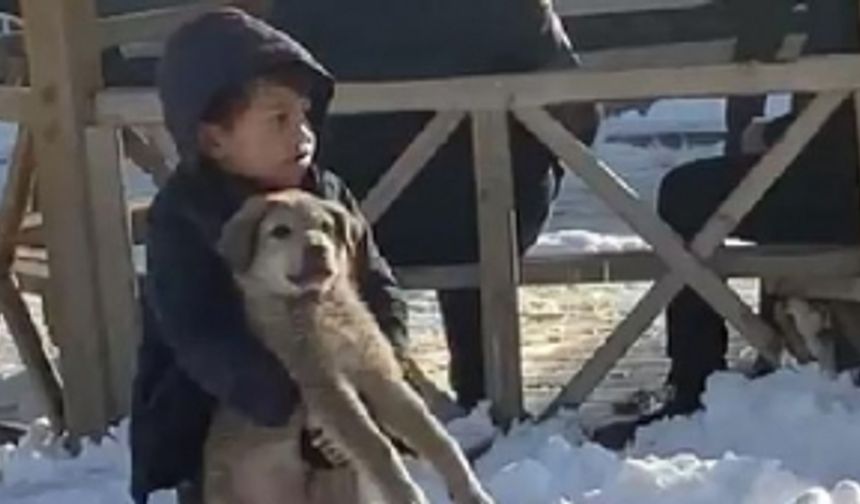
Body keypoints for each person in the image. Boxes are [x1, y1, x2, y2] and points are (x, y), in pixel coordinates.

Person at [128, 8, 408, 503]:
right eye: (279, 119)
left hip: (337, 415)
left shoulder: (326, 195)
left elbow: (379, 294)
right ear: (214, 139)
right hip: (234, 415)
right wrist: (296, 404)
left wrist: (374, 383)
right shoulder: (183, 215)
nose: (302, 133)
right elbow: (202, 335)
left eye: (304, 115)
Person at [271, 0, 599, 409]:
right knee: (484, 184)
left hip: (344, 230)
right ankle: (482, 390)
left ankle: (366, 387)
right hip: (487, 222)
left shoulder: (293, 11)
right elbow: (580, 119)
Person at [594, 0, 860, 449]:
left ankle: (695, 384)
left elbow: (831, 129)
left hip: (842, 194)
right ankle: (761, 352)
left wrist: (766, 135)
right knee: (745, 184)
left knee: (685, 194)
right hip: (837, 176)